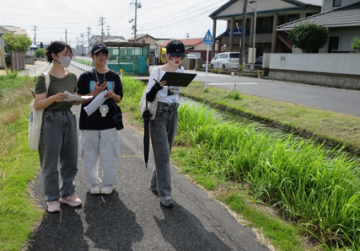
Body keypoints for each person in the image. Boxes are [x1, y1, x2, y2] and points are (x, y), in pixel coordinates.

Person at [34, 41, 82, 213]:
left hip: (68, 117)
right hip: (50, 119)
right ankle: (52, 198)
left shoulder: (72, 77)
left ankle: (67, 193)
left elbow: (74, 97)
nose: (68, 57)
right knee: (50, 160)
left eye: (70, 54)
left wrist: (76, 99)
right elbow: (38, 104)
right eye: (64, 54)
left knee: (70, 158)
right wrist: (54, 98)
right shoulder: (44, 78)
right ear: (54, 56)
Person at [77, 43, 123, 195]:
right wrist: (94, 92)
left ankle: (108, 182)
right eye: (98, 54)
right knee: (89, 154)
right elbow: (79, 100)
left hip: (109, 121)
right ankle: (94, 183)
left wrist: (111, 95)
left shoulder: (114, 76)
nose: (102, 57)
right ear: (92, 56)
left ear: (107, 56)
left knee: (109, 154)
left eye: (104, 54)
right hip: (89, 121)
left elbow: (119, 98)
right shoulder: (85, 76)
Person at [145, 40, 186, 207]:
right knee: (163, 157)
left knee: (165, 153)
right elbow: (148, 97)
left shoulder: (181, 70)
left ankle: (155, 184)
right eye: (174, 55)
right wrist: (156, 87)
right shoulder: (157, 72)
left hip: (173, 112)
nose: (177, 59)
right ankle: (165, 194)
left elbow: (174, 93)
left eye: (180, 56)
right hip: (158, 114)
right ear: (167, 55)